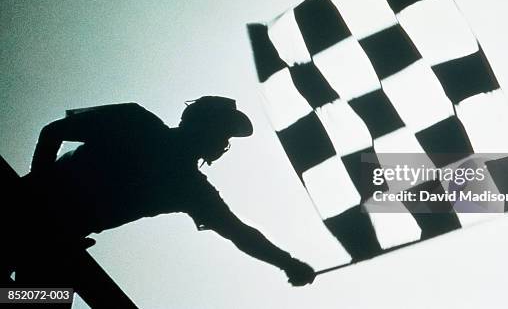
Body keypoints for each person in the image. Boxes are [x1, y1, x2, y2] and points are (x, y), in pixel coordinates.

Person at [15, 96, 315, 287]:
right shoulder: (135, 121)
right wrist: (36, 196)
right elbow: (54, 131)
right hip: (18, 211)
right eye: (222, 131)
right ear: (201, 124)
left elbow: (238, 232)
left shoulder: (190, 188)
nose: (225, 143)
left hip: (52, 244)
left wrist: (285, 262)